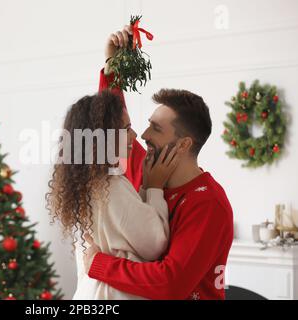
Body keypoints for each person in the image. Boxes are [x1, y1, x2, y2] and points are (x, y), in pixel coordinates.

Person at [81, 25, 234, 300]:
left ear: (184, 144)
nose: (142, 135)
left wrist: (98, 264)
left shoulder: (208, 203)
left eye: (156, 129)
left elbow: (169, 284)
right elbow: (112, 129)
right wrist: (112, 66)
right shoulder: (149, 170)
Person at [46, 91, 179, 299]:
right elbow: (155, 244)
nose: (134, 136)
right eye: (126, 129)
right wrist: (154, 187)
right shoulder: (110, 185)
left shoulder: (84, 185)